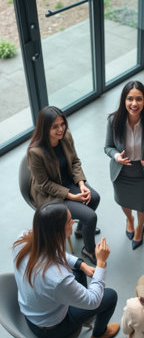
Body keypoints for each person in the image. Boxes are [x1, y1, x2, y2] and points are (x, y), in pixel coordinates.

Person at [12, 201, 120, 338]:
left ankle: (84, 311)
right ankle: (99, 335)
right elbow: (93, 301)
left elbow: (55, 251)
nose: (74, 222)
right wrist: (101, 263)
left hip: (33, 311)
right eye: (70, 221)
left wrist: (81, 265)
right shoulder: (58, 278)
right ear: (58, 232)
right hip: (51, 329)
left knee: (78, 271)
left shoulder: (23, 238)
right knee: (110, 296)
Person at [27, 106, 100, 264]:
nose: (61, 129)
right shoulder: (35, 152)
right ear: (45, 128)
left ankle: (81, 229)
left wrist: (81, 184)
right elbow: (44, 184)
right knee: (90, 216)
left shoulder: (66, 136)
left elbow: (74, 161)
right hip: (50, 194)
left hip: (68, 181)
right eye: (55, 127)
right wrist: (71, 195)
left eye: (62, 124)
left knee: (94, 198)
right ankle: (88, 249)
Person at [104, 81, 144, 250]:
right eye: (130, 99)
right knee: (124, 201)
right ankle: (130, 220)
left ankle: (139, 227)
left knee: (143, 205)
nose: (134, 104)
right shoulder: (113, 121)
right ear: (124, 101)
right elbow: (108, 147)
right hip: (121, 172)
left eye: (139, 99)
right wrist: (116, 156)